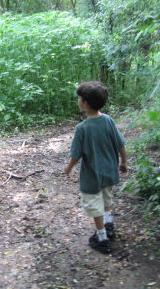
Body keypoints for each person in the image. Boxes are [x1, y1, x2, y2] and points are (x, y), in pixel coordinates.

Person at [64, 81, 128, 254]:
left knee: (94, 206)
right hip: (109, 172)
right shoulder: (108, 120)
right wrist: (123, 163)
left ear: (85, 104)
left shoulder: (82, 128)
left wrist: (68, 168)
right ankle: (109, 226)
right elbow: (121, 145)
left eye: (79, 99)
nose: (78, 101)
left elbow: (76, 155)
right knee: (106, 201)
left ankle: (101, 238)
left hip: (92, 176)